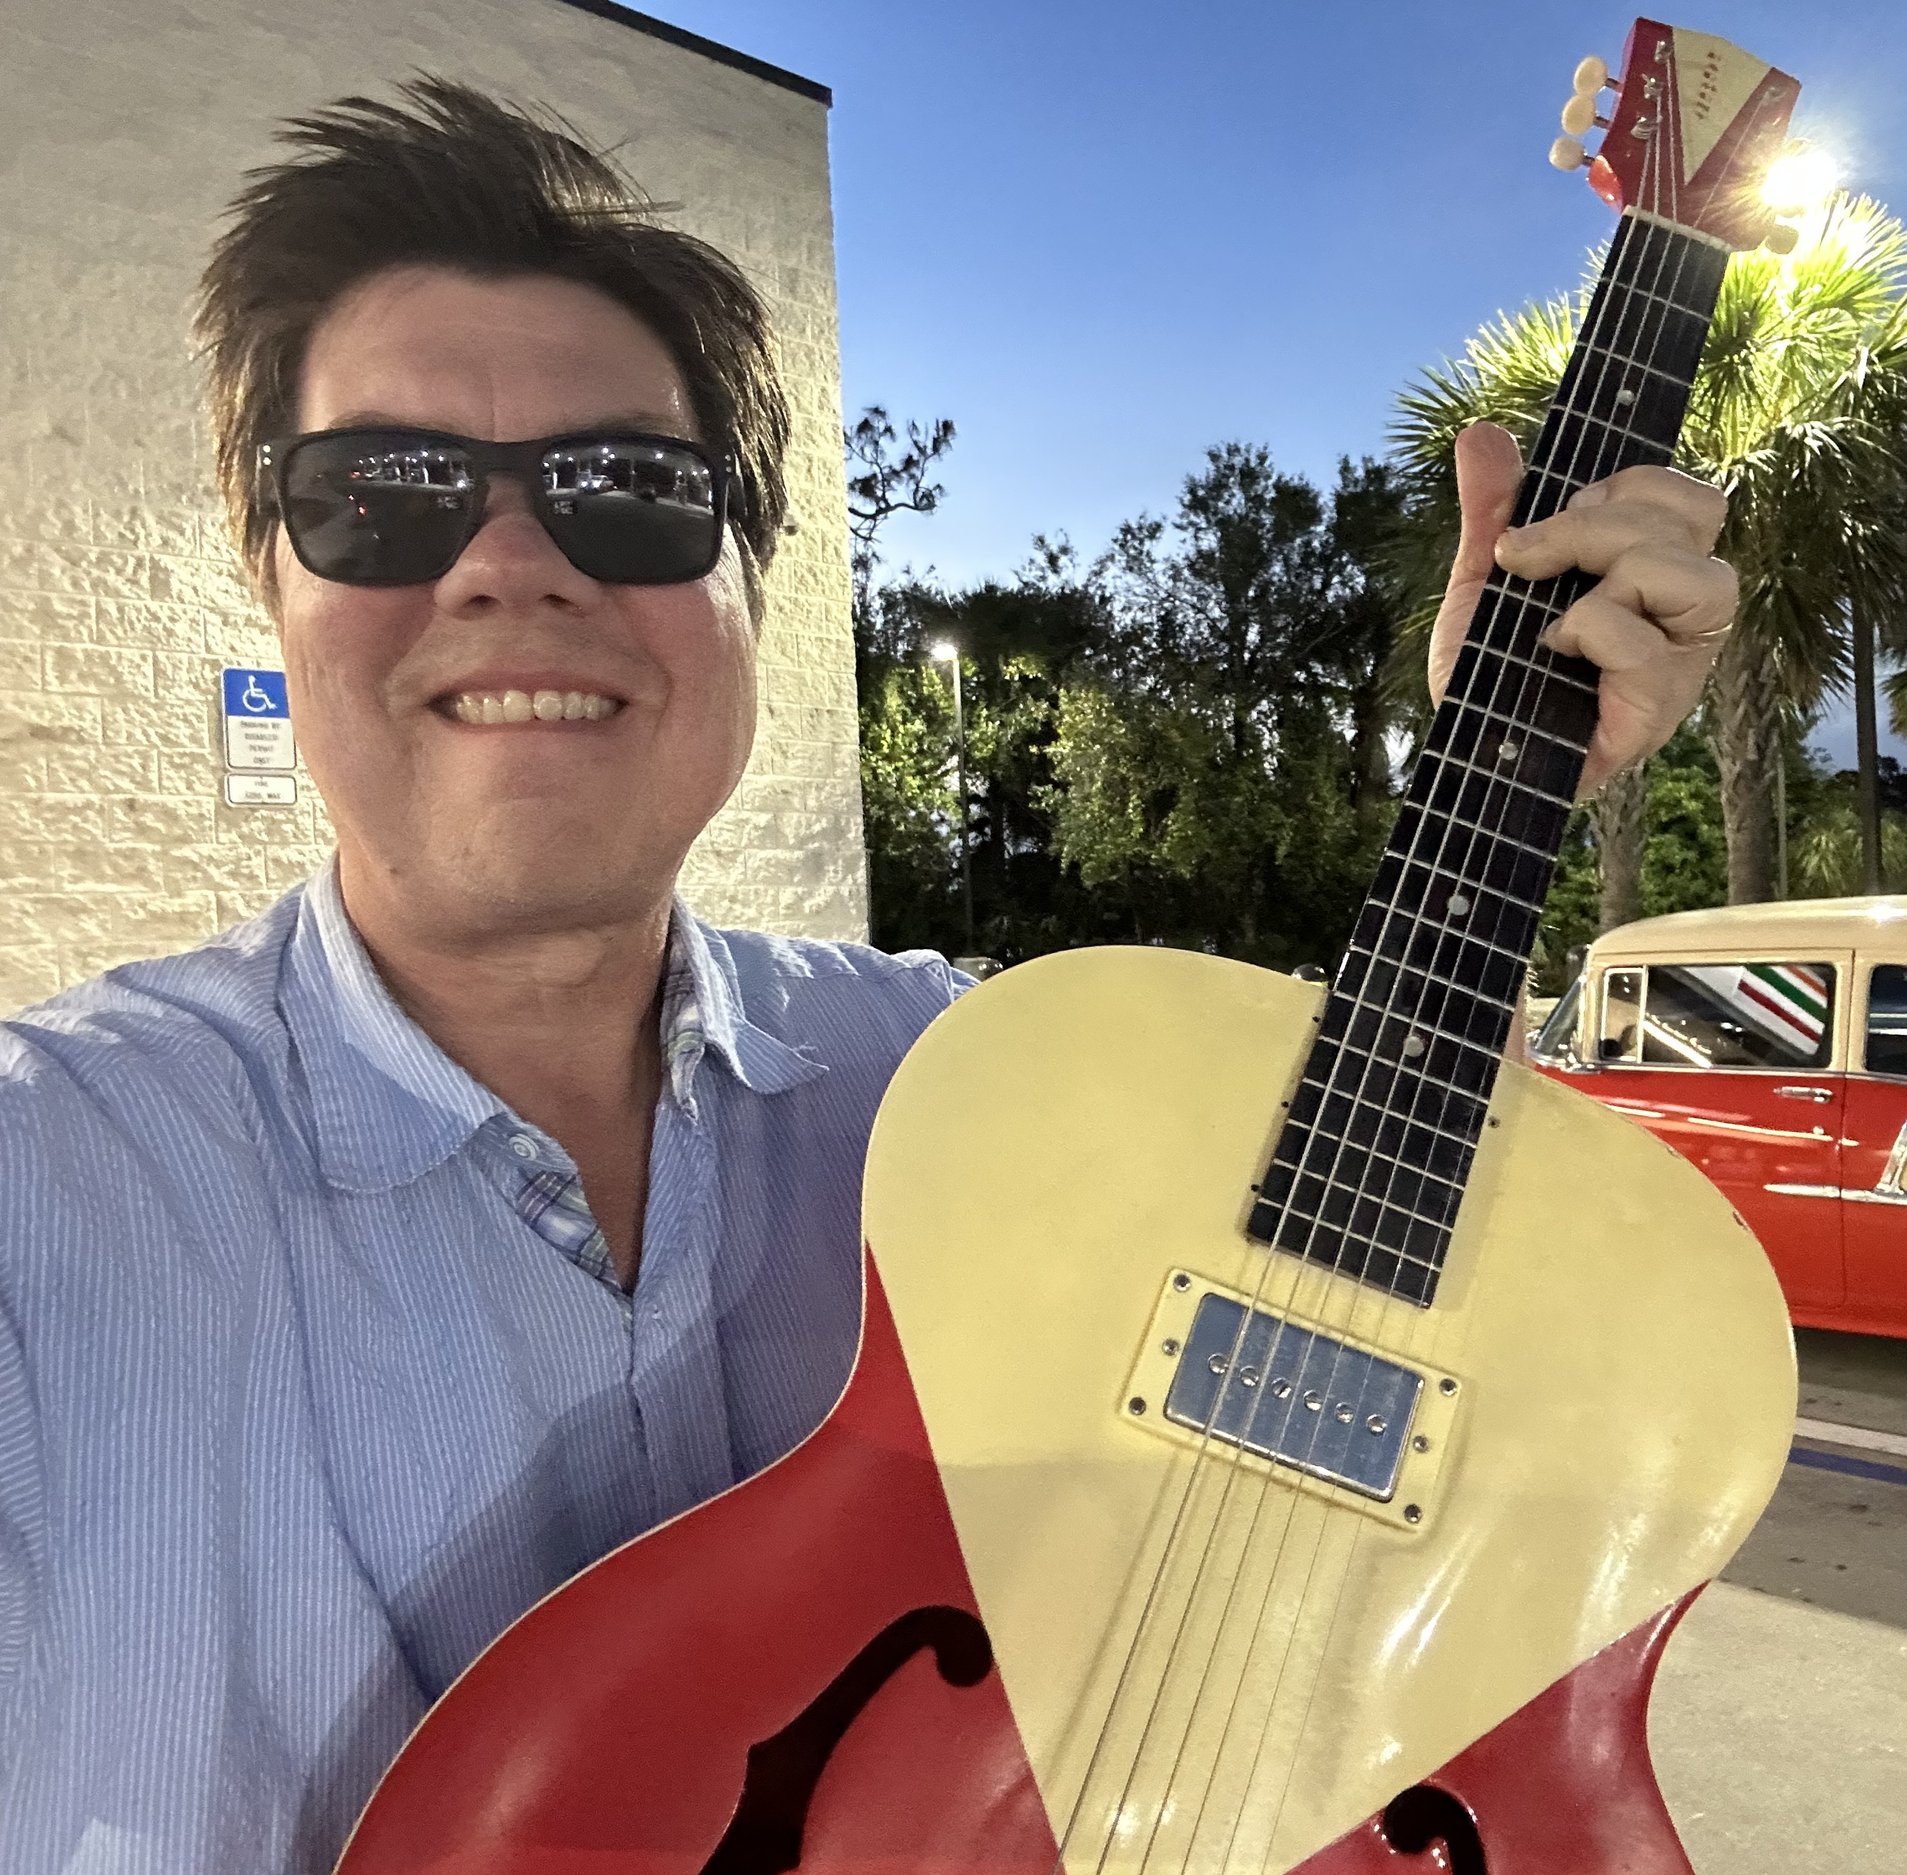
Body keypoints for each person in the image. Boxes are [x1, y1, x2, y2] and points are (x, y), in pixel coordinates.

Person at [0, 77, 1737, 1871]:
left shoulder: (974, 1077)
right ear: (265, 582)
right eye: (384, 495)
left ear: (751, 578)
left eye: (629, 491)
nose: (511, 567)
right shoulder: (41, 1185)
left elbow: (1377, 1280)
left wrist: (1499, 775)